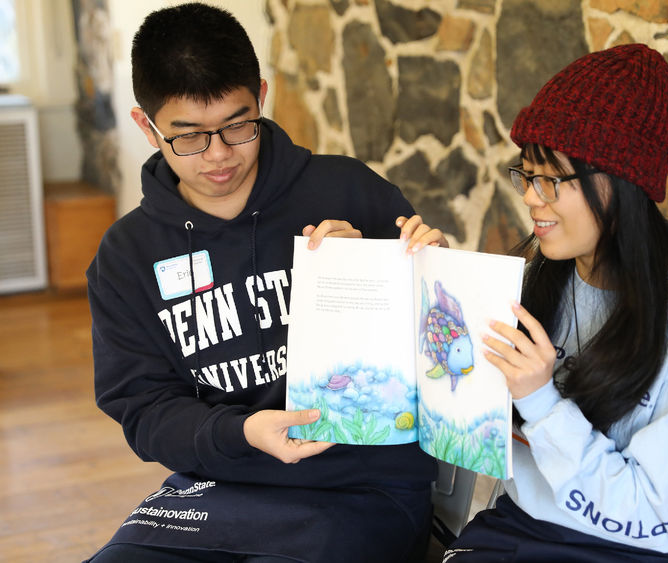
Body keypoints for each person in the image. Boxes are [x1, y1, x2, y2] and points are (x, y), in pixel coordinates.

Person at [84, 3, 445, 562]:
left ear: (261, 94)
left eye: (237, 124)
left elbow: (442, 355)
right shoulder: (125, 257)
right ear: (146, 126)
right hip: (215, 487)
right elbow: (145, 409)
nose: (220, 154)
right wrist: (244, 433)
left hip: (362, 490)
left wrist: (421, 274)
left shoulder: (348, 192)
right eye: (190, 137)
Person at [437, 44, 668, 562]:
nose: (529, 198)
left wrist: (542, 401)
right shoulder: (543, 285)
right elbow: (460, 406)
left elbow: (649, 509)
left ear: (617, 183)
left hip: (630, 549)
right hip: (521, 528)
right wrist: (436, 284)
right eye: (527, 174)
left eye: (551, 180)